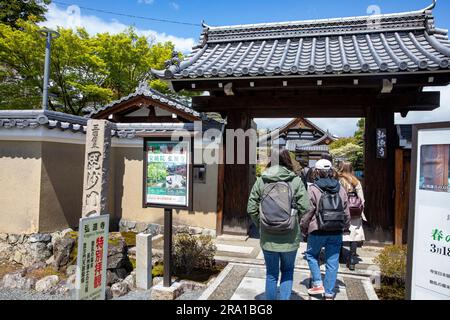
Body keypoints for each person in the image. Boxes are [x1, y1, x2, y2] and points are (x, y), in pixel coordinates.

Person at [247, 148, 310, 300]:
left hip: (268, 237)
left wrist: (262, 224)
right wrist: (294, 220)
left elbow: (251, 208)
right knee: (288, 271)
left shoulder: (262, 180)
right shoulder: (295, 180)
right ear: (288, 159)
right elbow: (305, 207)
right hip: (290, 236)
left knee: (271, 274)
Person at [300, 159, 351, 300]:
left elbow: (308, 212)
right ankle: (329, 293)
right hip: (336, 230)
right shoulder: (340, 188)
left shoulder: (313, 189)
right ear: (331, 172)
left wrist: (303, 228)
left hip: (317, 229)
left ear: (316, 172)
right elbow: (346, 212)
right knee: (332, 261)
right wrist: (345, 227)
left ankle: (317, 283)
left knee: (311, 256)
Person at [337, 161, 366, 270]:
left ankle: (339, 256)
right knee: (354, 234)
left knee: (340, 233)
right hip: (354, 212)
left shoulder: (338, 180)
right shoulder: (356, 181)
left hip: (340, 211)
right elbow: (362, 199)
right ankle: (352, 259)